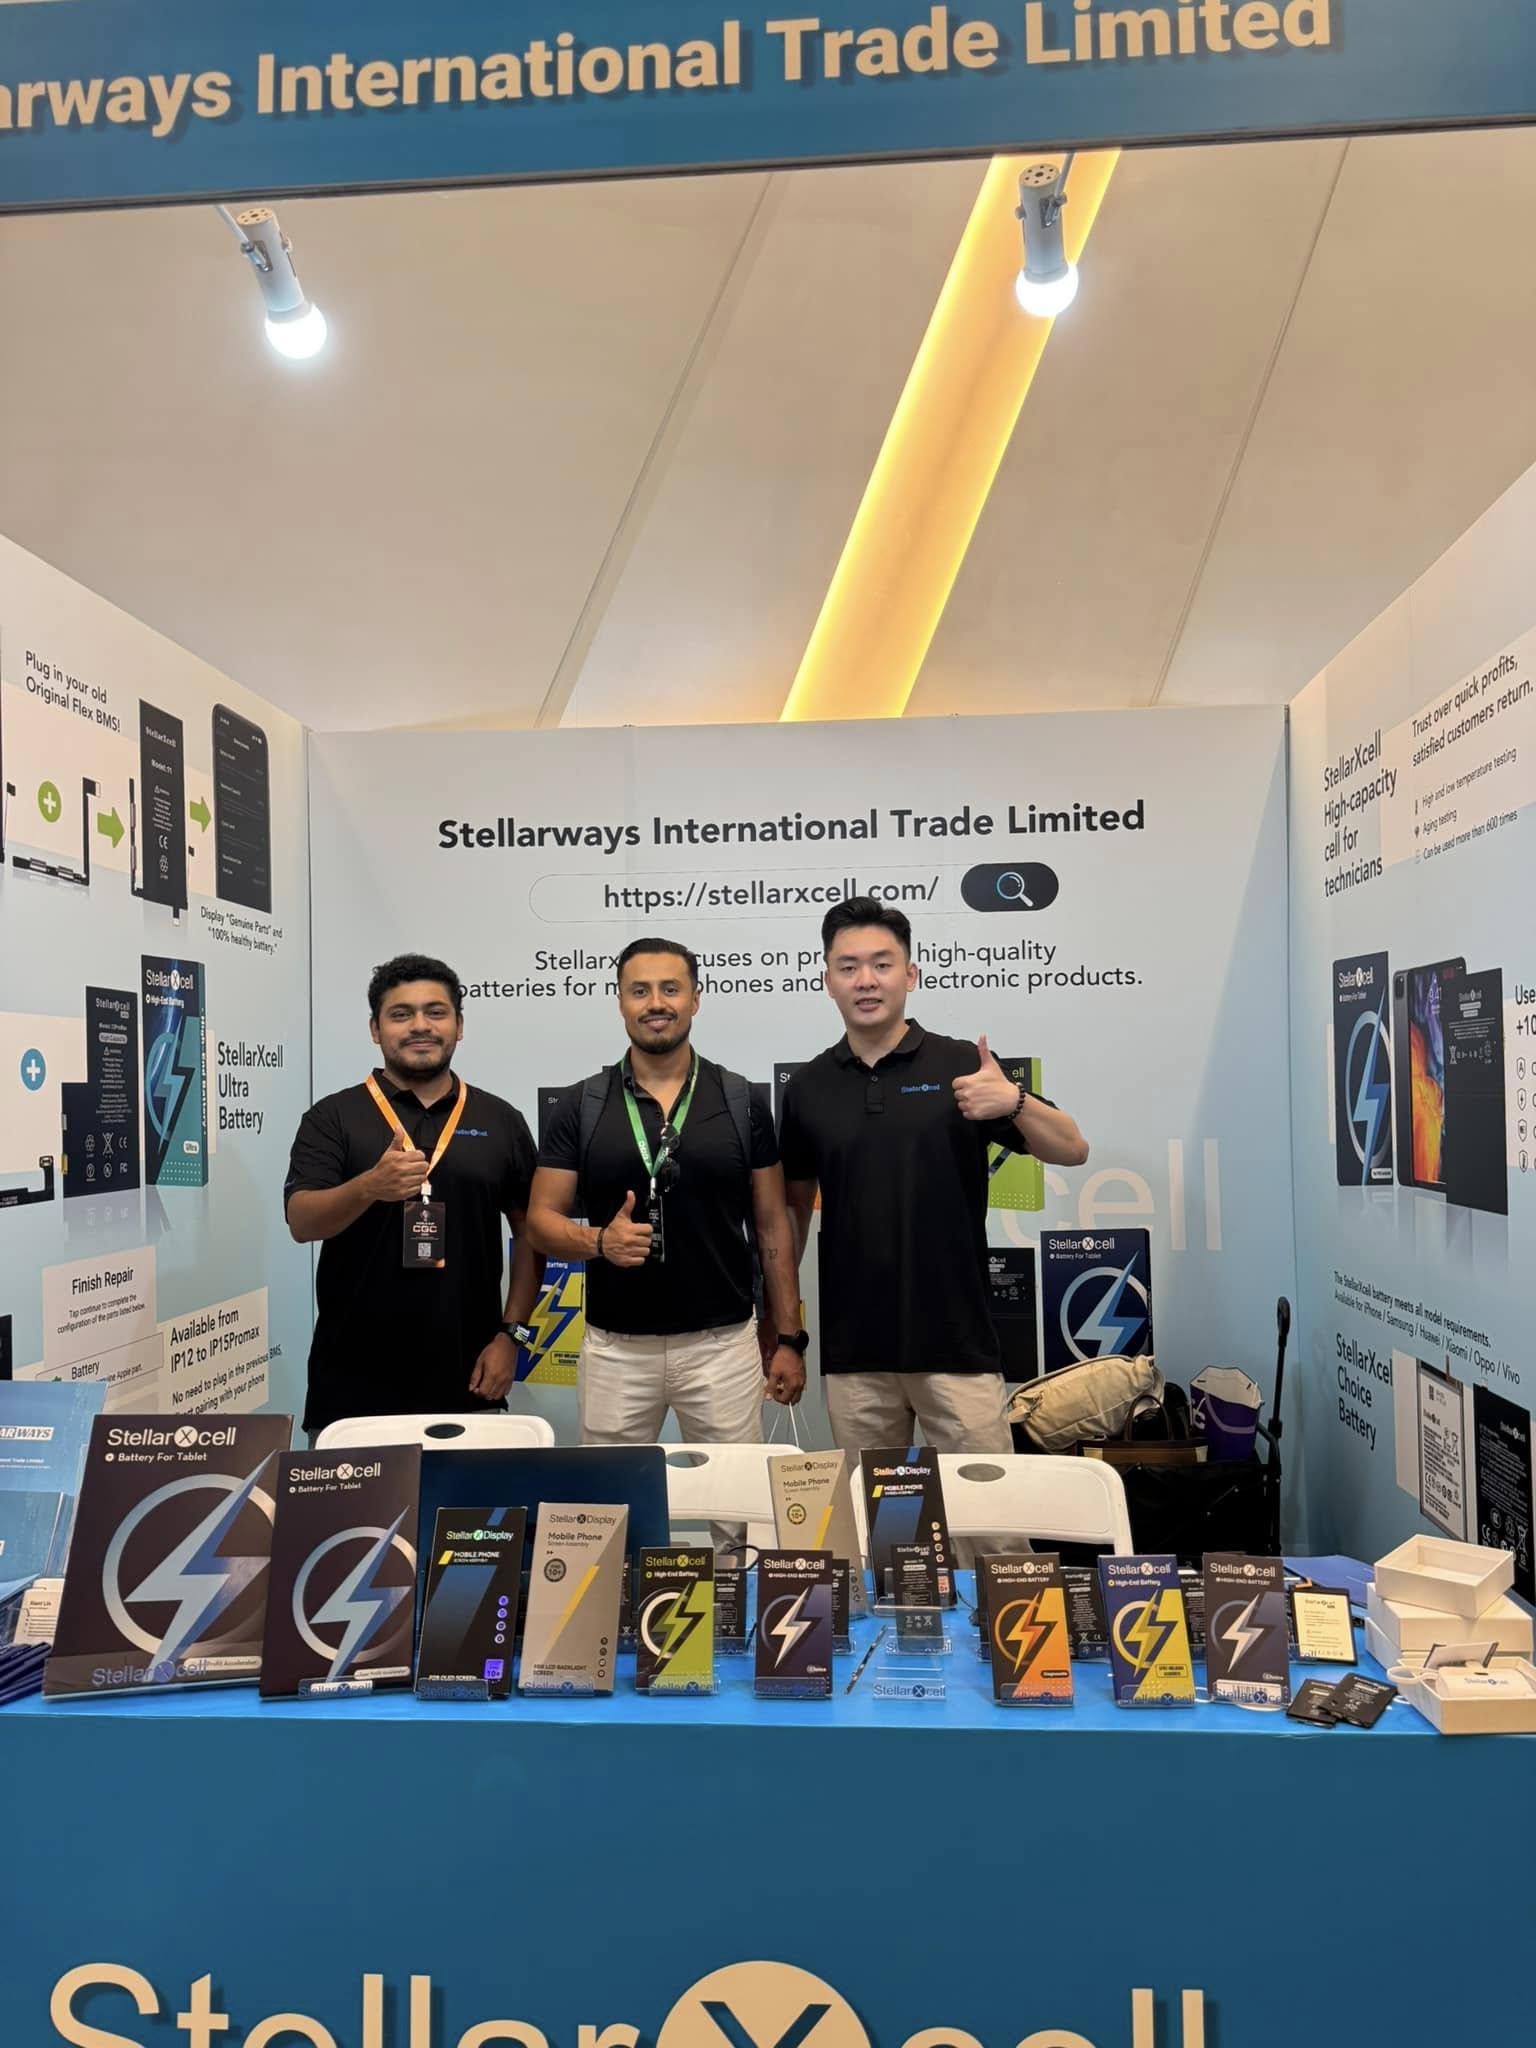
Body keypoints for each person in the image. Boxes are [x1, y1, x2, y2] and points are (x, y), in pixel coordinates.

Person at [780, 896, 1090, 1455]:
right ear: (827, 981)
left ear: (911, 975)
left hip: (958, 1348)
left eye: (882, 964)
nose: (866, 980)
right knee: (879, 1510)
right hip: (855, 1355)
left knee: (986, 1508)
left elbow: (1072, 1149)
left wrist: (1014, 1101)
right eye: (848, 967)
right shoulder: (807, 1088)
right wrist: (785, 1330)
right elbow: (792, 1214)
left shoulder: (961, 1065)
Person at [527, 937, 804, 1453]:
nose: (656, 1003)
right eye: (640, 991)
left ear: (695, 999)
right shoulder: (580, 1105)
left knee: (733, 1497)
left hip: (722, 1346)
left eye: (670, 989)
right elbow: (539, 1222)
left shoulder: (741, 1100)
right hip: (616, 1349)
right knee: (612, 1497)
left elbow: (772, 1225)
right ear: (620, 1002)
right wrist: (599, 1242)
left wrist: (788, 1337)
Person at [285, 952, 544, 1439]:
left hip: (469, 1378)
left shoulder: (500, 1120)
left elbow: (532, 1235)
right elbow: (302, 1222)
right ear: (375, 1029)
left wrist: (513, 1337)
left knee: (470, 1494)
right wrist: (369, 1187)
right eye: (401, 1014)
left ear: (459, 1026)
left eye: (435, 1012)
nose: (420, 1026)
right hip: (352, 1384)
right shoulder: (333, 1117)